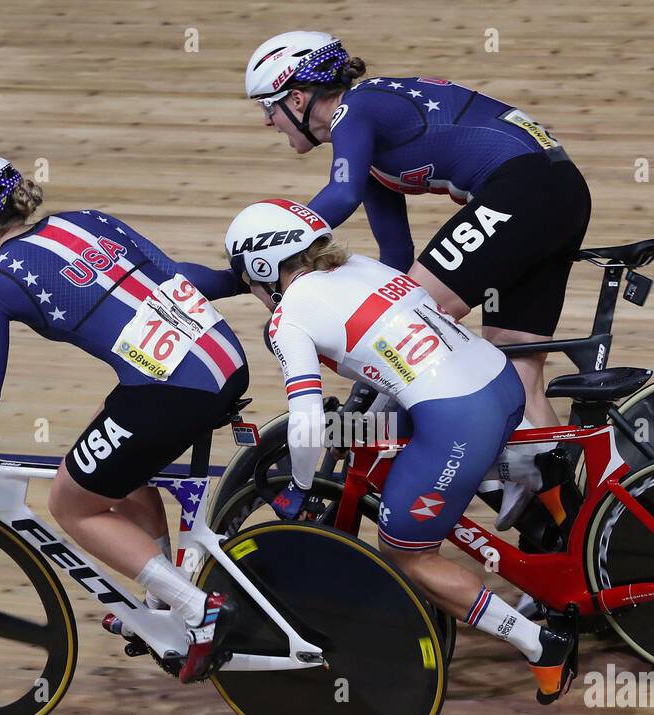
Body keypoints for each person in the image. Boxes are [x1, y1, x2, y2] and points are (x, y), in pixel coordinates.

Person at [224, 198, 578, 704]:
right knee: (384, 434)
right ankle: (546, 492)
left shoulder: (289, 318)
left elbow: (304, 425)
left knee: (407, 553)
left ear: (262, 267)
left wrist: (300, 490)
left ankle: (540, 644)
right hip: (498, 380)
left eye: (247, 279)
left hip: (458, 415)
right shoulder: (359, 264)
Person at [0, 154, 249, 683]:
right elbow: (181, 278)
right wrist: (247, 278)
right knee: (101, 461)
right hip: (223, 358)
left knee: (71, 503)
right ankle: (161, 604)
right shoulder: (86, 221)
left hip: (172, 389)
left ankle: (198, 609)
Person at [244, 31, 592, 530]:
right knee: (520, 371)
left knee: (409, 324)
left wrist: (264, 246)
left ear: (298, 98)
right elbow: (396, 255)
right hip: (554, 190)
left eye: (269, 107)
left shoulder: (355, 110)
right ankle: (570, 536)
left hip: (524, 189)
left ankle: (464, 449)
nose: (267, 121)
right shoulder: (362, 138)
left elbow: (339, 197)